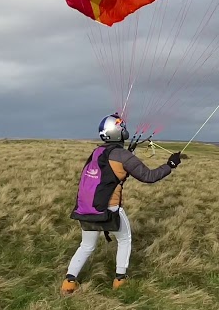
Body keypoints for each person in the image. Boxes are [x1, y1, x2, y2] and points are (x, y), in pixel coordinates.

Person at [61, 113, 181, 295]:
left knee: (86, 245)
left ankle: (69, 282)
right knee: (124, 239)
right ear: (118, 132)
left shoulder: (97, 152)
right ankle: (120, 280)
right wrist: (170, 165)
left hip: (86, 208)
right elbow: (149, 176)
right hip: (109, 208)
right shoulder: (122, 155)